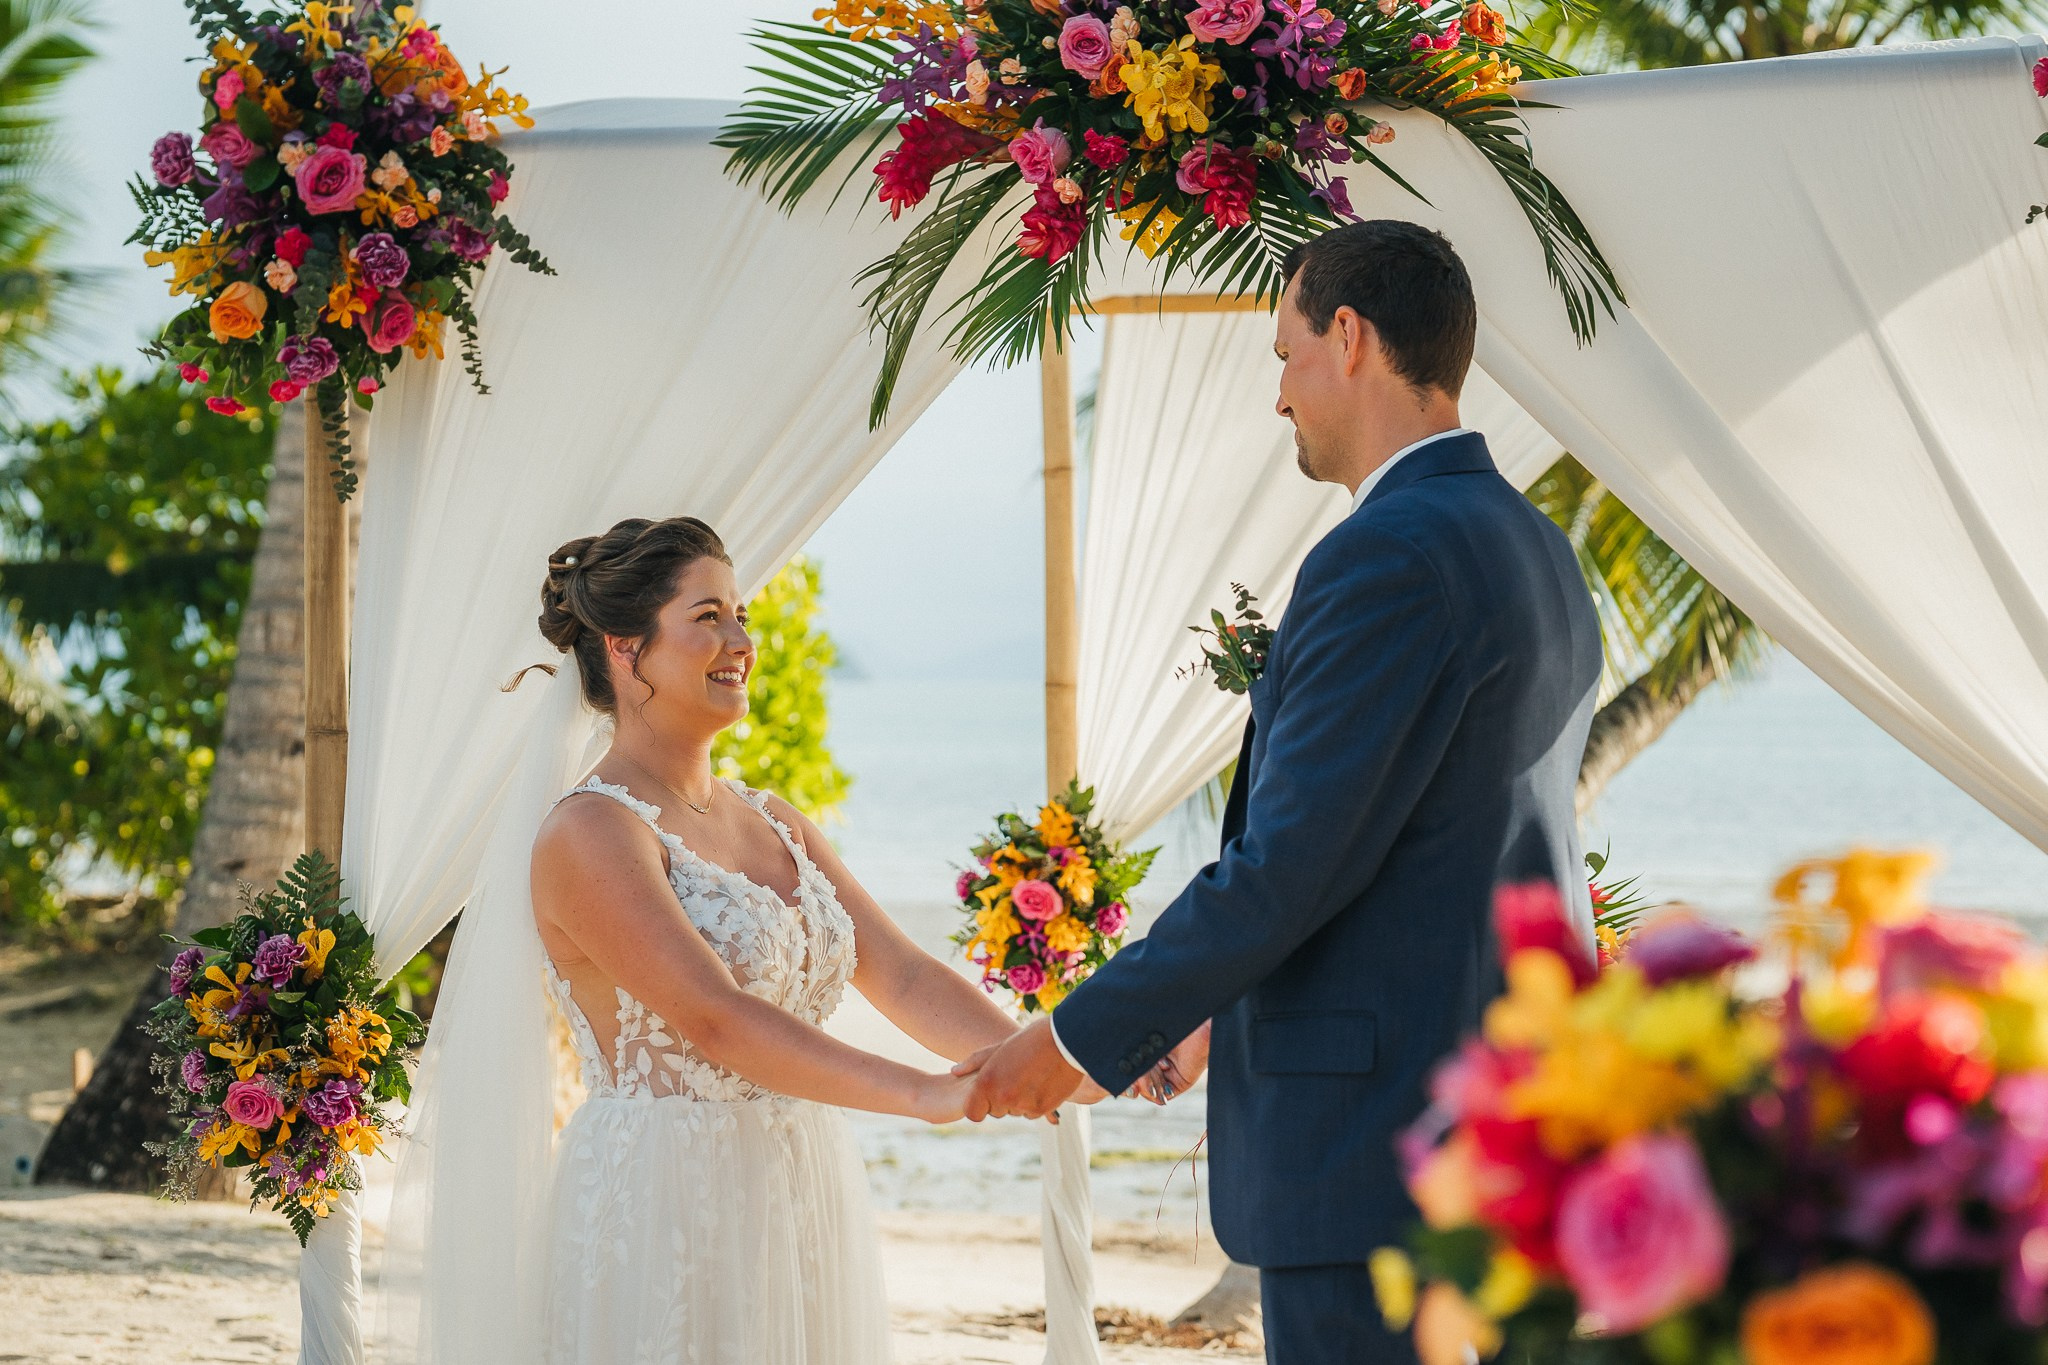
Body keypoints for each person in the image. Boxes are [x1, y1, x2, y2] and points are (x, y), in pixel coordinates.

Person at [956, 220, 1605, 1364]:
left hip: (1373, 1148)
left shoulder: (1384, 553)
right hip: (1506, 1118)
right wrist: (1211, 1013)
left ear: (1346, 337)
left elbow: (1288, 865)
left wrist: (1072, 1039)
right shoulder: (1536, 547)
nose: (1277, 396)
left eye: (1281, 354)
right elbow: (1424, 846)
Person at [525, 516, 1157, 1364]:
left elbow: (898, 971)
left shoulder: (775, 818)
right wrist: (926, 1093)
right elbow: (717, 1018)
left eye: (740, 613)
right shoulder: (589, 832)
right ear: (626, 648)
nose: (740, 640)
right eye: (707, 615)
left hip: (799, 1186)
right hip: (665, 1200)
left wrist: (1057, 1059)